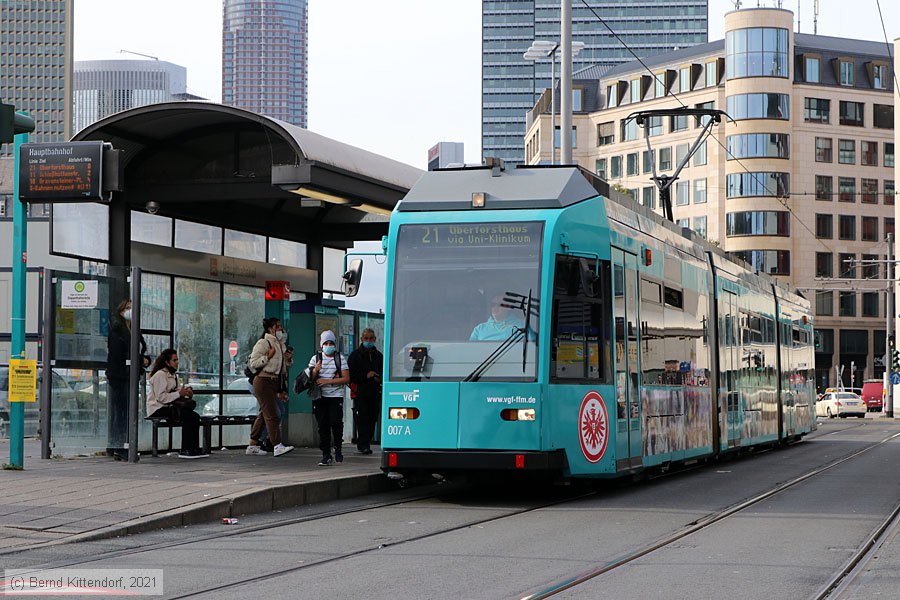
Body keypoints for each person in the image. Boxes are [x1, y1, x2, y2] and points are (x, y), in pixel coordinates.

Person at [106, 299, 149, 461]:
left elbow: (140, 349)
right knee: (121, 412)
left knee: (127, 411)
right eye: (127, 308)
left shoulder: (134, 329)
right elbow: (119, 354)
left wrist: (144, 360)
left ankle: (124, 445)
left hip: (131, 375)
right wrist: (137, 360)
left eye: (132, 308)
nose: (130, 311)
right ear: (121, 311)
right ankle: (120, 446)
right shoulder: (117, 329)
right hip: (120, 376)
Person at [245, 318, 294, 457]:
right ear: (271, 329)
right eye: (278, 327)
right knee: (272, 414)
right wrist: (267, 356)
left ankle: (253, 444)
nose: (281, 330)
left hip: (273, 382)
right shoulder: (264, 342)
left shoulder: (280, 344)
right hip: (263, 381)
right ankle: (277, 445)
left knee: (264, 413)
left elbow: (282, 368)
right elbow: (253, 362)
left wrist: (288, 359)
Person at [146, 349, 207, 459]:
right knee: (189, 417)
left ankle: (193, 448)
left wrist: (187, 393)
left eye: (177, 360)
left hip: (169, 406)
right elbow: (161, 397)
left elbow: (178, 391)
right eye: (174, 360)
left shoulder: (173, 375)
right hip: (158, 408)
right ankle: (186, 449)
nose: (177, 362)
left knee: (194, 416)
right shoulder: (160, 375)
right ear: (167, 362)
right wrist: (179, 394)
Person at [308, 330, 350, 466]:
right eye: (326, 343)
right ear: (321, 344)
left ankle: (338, 448)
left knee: (336, 422)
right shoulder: (315, 359)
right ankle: (326, 454)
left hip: (335, 396)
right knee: (322, 425)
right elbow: (309, 379)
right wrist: (315, 370)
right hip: (320, 397)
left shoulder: (340, 359)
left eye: (331, 343)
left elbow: (346, 378)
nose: (328, 345)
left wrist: (327, 381)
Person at [348, 328, 383, 455]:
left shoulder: (378, 356)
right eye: (366, 338)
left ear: (374, 339)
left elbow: (383, 372)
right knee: (362, 418)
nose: (369, 341)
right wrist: (366, 376)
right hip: (361, 393)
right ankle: (363, 444)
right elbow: (351, 376)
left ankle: (367, 441)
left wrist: (379, 379)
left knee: (372, 418)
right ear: (362, 339)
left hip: (374, 392)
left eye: (371, 338)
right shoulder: (355, 356)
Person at [258, 345, 293, 452]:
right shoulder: (275, 360)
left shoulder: (282, 364)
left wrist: (282, 392)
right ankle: (267, 441)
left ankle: (261, 440)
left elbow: (281, 379)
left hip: (270, 388)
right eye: (287, 353)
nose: (289, 356)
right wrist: (279, 393)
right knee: (272, 413)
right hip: (263, 386)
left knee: (273, 412)